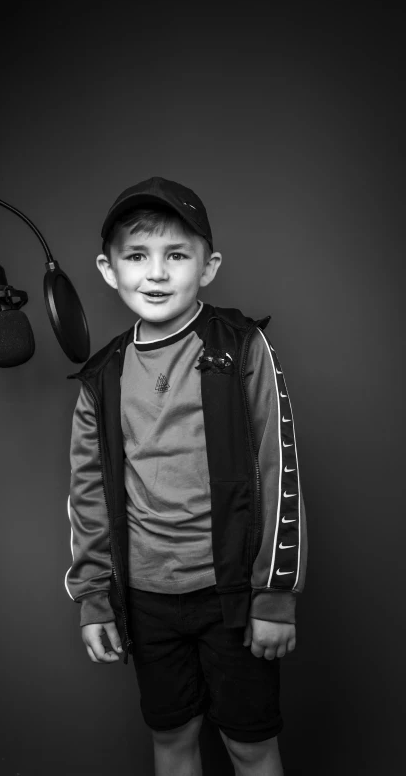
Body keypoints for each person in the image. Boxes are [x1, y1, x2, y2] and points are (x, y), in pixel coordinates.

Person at [65, 176, 307, 776]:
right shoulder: (103, 378)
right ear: (107, 269)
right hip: (148, 601)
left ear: (208, 265)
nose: (156, 273)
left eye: (176, 255)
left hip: (233, 594)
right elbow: (88, 494)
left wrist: (274, 596)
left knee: (250, 746)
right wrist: (94, 598)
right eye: (137, 256)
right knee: (172, 740)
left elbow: (282, 468)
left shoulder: (241, 347)